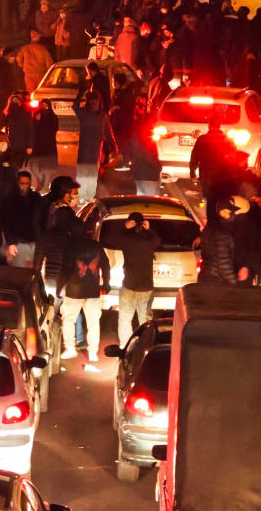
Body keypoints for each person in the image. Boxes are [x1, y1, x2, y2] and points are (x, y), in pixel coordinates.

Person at [59, 220, 110, 366]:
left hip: (74, 290)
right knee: (94, 322)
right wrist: (106, 283)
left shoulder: (71, 247)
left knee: (68, 320)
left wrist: (59, 287)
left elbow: (65, 269)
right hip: (92, 290)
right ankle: (93, 352)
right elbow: (106, 266)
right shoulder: (96, 246)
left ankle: (70, 348)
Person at [116, 212, 160, 346]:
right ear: (143, 224)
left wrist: (125, 228)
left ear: (131, 223)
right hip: (146, 286)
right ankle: (145, 345)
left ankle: (125, 346)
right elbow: (157, 241)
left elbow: (113, 239)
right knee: (145, 319)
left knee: (125, 318)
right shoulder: (149, 241)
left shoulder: (126, 240)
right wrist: (150, 230)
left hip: (129, 285)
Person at [73, 90, 114, 203]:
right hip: (89, 152)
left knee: (88, 176)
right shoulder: (88, 114)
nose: (93, 105)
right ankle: (85, 198)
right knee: (86, 176)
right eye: (91, 102)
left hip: (92, 152)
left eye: (94, 102)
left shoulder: (98, 116)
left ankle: (86, 198)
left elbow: (108, 133)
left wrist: (113, 147)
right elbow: (108, 133)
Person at [0, 171, 41, 267]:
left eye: (27, 183)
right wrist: (11, 242)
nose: (25, 186)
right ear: (17, 183)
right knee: (19, 270)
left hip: (33, 240)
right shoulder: (10, 199)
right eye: (22, 183)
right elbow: (6, 222)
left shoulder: (36, 198)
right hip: (19, 241)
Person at [198, 199, 237, 284]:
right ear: (222, 212)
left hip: (205, 275)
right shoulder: (223, 233)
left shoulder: (210, 227)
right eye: (230, 212)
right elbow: (224, 263)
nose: (232, 215)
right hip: (216, 281)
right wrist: (234, 282)